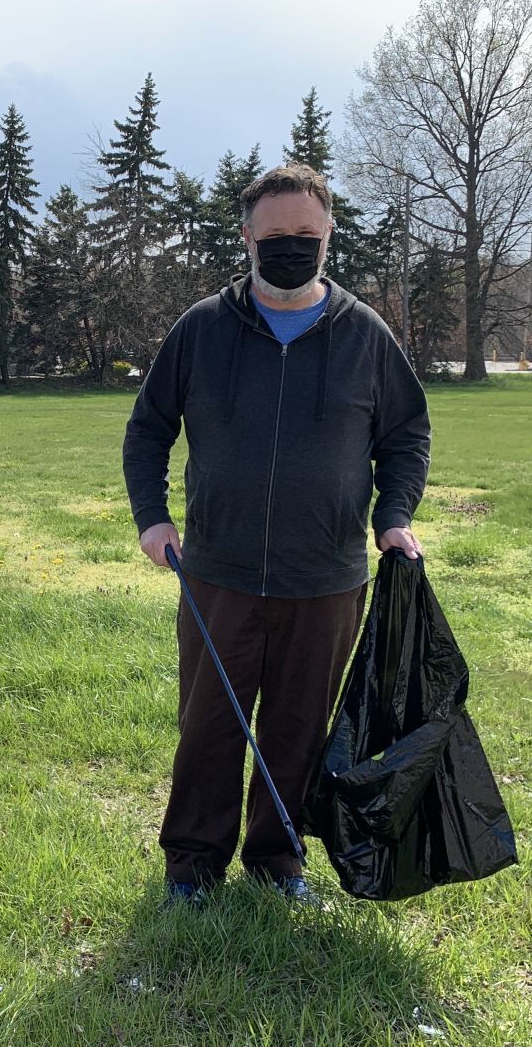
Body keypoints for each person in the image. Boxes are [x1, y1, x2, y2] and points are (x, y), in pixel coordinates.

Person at [122, 163, 430, 907]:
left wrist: (394, 519)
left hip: (326, 579)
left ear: (328, 236)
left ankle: (278, 861)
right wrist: (152, 519)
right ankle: (191, 868)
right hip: (218, 574)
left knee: (297, 730)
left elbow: (407, 435)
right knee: (208, 728)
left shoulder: (365, 334)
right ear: (248, 237)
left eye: (306, 235)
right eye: (275, 235)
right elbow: (147, 430)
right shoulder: (201, 328)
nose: (291, 246)